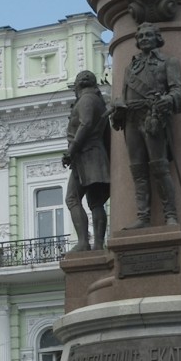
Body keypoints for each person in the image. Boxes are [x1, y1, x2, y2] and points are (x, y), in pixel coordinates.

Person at [110, 23, 181, 227]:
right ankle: (143, 217)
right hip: (131, 119)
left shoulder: (168, 62)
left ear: (157, 38)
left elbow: (178, 90)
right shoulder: (129, 67)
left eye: (148, 35)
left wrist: (167, 100)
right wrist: (118, 106)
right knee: (137, 169)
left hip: (153, 116)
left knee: (160, 167)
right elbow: (124, 95)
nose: (144, 38)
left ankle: (171, 215)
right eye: (140, 35)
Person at [62, 70, 111, 252]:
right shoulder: (98, 100)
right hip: (97, 155)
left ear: (78, 84)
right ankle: (98, 244)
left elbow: (86, 123)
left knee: (72, 198)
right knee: (96, 202)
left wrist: (71, 150)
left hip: (85, 155)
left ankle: (84, 242)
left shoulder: (86, 100)